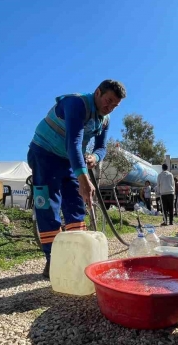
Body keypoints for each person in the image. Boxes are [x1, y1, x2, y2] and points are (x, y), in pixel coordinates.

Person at [27, 79, 126, 278]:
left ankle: (76, 255)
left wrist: (95, 157)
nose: (109, 108)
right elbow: (73, 141)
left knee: (75, 205)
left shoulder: (104, 120)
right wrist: (83, 178)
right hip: (44, 154)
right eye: (108, 101)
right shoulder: (76, 103)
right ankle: (53, 260)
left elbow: (101, 147)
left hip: (70, 160)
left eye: (115, 106)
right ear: (97, 92)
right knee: (48, 205)